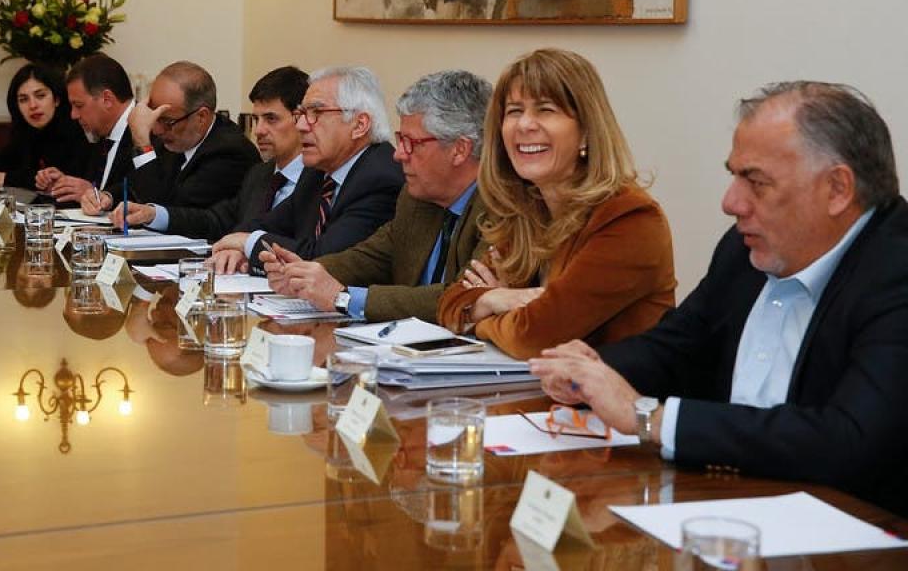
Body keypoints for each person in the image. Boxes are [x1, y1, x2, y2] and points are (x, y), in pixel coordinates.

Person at [531, 81, 908, 518]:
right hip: (719, 505)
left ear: (837, 189)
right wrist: (589, 371)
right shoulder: (745, 249)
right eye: (734, 176)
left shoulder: (896, 271)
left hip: (853, 533)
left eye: (756, 182)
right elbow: (676, 348)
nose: (731, 203)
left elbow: (850, 440)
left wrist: (649, 419)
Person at [437, 48, 675, 358]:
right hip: (534, 384)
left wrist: (482, 316)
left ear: (586, 132)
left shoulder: (631, 219)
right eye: (514, 111)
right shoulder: (530, 210)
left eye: (546, 110)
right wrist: (493, 299)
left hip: (612, 387)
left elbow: (533, 336)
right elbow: (449, 305)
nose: (525, 125)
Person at [263, 70, 491, 322]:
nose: (398, 154)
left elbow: (463, 298)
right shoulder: (416, 199)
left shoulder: (500, 208)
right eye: (400, 140)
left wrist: (343, 298)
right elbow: (370, 258)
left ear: (459, 150)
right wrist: (302, 274)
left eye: (411, 143)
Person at [212, 65, 404, 274]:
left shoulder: (381, 178)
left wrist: (248, 243)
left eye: (316, 112)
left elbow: (325, 259)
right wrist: (234, 248)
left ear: (359, 125)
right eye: (303, 113)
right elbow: (265, 225)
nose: (301, 126)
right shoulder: (317, 172)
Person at [108, 65, 309, 240]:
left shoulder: (231, 152)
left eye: (271, 119)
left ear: (301, 119)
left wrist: (247, 245)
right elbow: (216, 221)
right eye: (257, 119)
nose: (258, 131)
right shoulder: (260, 174)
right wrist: (152, 214)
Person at [79, 60, 260, 214]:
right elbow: (138, 183)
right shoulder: (175, 138)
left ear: (201, 117)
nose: (157, 130)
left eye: (167, 121)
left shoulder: (229, 153)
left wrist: (142, 142)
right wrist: (107, 196)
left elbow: (163, 208)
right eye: (154, 116)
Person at [0, 63, 91, 190]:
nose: (32, 105)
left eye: (40, 96)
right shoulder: (26, 130)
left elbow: (59, 179)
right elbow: (6, 157)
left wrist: (5, 178)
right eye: (23, 99)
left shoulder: (77, 129)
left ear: (57, 99)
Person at [36, 53, 137, 203]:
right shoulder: (101, 133)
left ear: (107, 99)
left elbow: (144, 195)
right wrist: (64, 187)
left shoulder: (148, 132)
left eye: (78, 105)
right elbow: (92, 188)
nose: (73, 115)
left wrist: (95, 194)